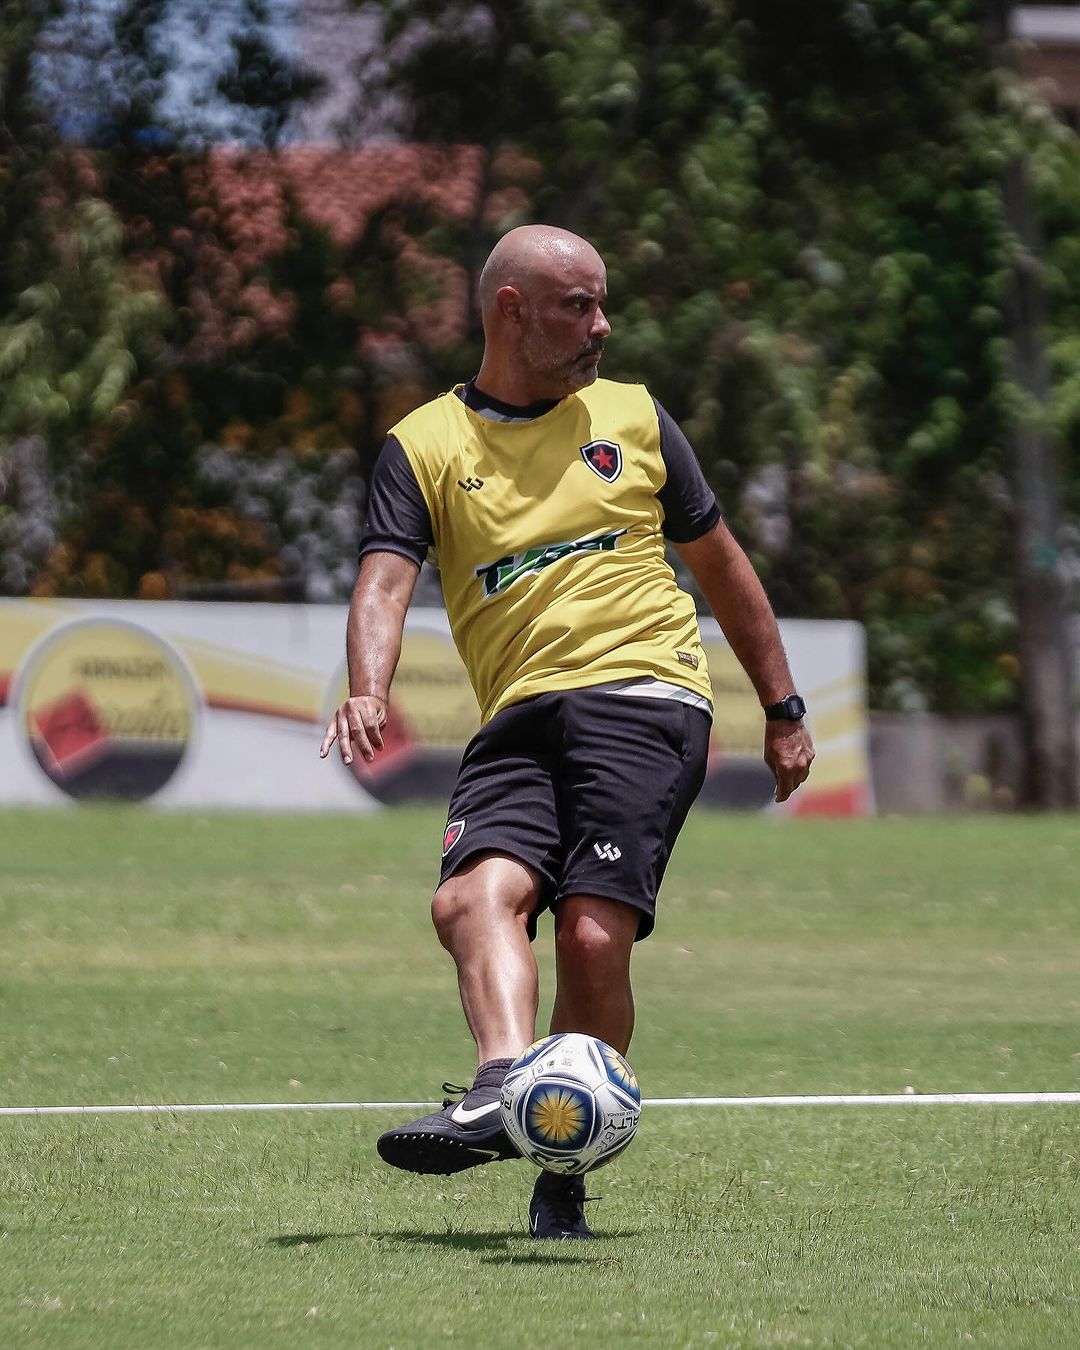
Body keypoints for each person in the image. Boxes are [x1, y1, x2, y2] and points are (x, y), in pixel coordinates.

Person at [321, 224, 814, 1240]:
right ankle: (502, 1088)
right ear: (510, 308)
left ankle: (563, 1170)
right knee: (469, 900)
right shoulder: (424, 445)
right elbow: (383, 576)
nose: (601, 326)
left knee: (593, 937)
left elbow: (723, 566)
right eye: (576, 306)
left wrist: (783, 707)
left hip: (645, 694)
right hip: (517, 714)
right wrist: (366, 683)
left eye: (601, 305)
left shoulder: (633, 418)